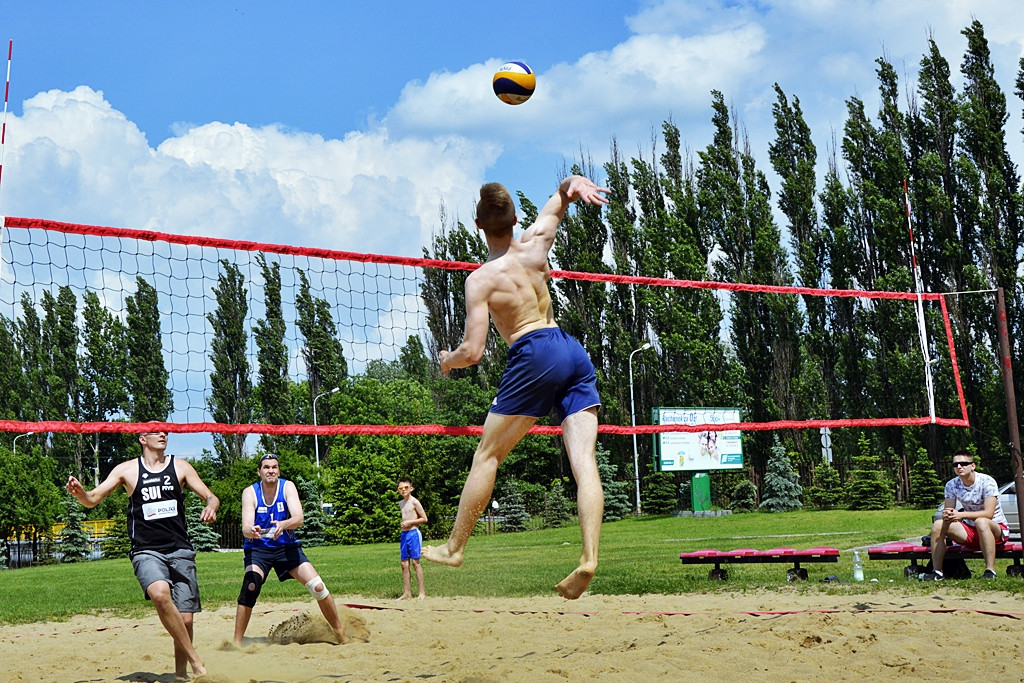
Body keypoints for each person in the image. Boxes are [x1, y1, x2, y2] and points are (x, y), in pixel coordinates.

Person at [422, 175, 610, 599]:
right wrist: (574, 184)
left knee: (487, 455)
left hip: (533, 352)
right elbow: (561, 196)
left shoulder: (481, 279)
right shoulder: (536, 243)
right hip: (570, 349)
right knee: (584, 462)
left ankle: (454, 548)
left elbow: (473, 352)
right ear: (515, 218)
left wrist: (447, 360)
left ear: (477, 225)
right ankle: (588, 558)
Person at [65, 429, 219, 680]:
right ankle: (196, 662)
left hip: (180, 549)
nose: (163, 435)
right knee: (159, 593)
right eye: (156, 431)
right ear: (142, 438)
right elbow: (92, 499)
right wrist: (81, 493)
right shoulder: (127, 470)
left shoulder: (180, 466)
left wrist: (211, 506)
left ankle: (181, 675)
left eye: (165, 431)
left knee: (186, 621)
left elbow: (211, 497)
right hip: (146, 551)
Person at [232, 453, 350, 646]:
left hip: (286, 548)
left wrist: (284, 524)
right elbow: (245, 526)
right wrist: (251, 531)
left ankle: (340, 633)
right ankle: (236, 642)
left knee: (318, 587)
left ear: (278, 471)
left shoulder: (287, 487)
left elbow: (299, 518)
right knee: (250, 586)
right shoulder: (250, 492)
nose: (271, 470)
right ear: (259, 471)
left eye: (274, 467)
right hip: (259, 550)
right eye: (266, 467)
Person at [924, 451, 1010, 580]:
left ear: (973, 466)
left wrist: (961, 515)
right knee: (938, 524)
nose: (959, 467)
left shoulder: (987, 482)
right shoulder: (951, 485)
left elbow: (989, 513)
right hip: (970, 531)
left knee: (981, 521)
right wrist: (948, 514)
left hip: (996, 529)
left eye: (963, 463)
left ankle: (990, 571)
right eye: (955, 464)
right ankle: (937, 572)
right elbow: (949, 510)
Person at [396, 476, 428, 599]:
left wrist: (410, 522)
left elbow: (424, 518)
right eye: (400, 488)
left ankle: (422, 592)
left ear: (411, 488)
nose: (403, 490)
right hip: (404, 535)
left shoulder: (414, 502)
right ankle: (407, 592)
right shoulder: (401, 503)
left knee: (415, 562)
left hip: (414, 534)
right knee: (404, 564)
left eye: (406, 487)